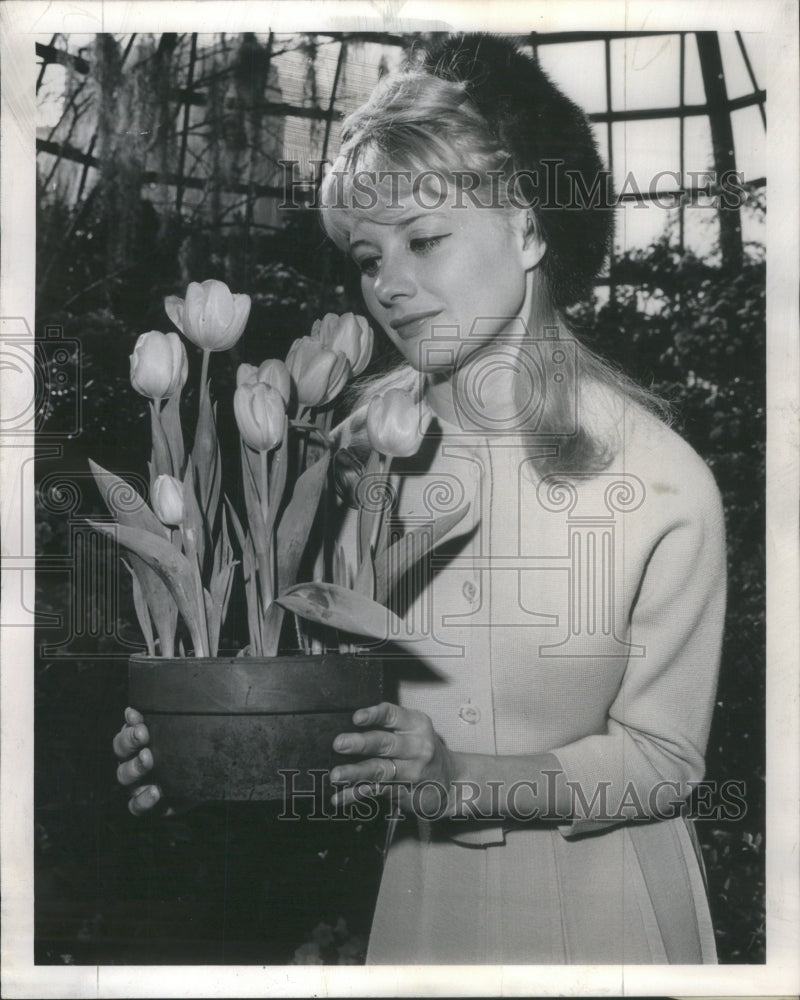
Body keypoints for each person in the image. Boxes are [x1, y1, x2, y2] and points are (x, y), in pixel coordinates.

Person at [114, 33, 726, 964]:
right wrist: (203, 735)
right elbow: (313, 709)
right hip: (417, 913)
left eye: (425, 240)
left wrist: (462, 779)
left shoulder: (661, 478)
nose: (389, 286)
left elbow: (667, 762)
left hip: (607, 918)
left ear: (527, 229)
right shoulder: (340, 458)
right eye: (367, 256)